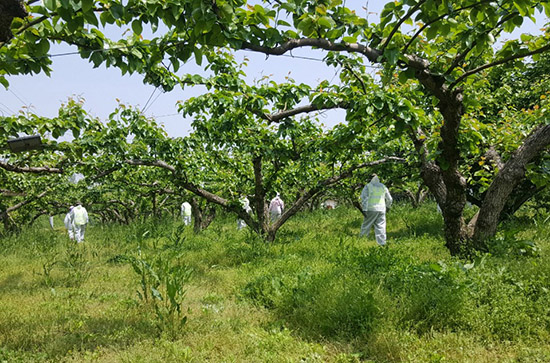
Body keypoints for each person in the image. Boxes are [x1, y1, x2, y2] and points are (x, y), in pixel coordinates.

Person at [359, 174, 393, 246]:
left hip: (371, 209)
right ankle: (382, 243)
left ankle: (361, 242)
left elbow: (364, 199)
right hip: (382, 209)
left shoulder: (368, 186)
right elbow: (390, 199)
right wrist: (388, 207)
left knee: (366, 226)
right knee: (381, 226)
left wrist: (364, 209)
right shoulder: (383, 186)